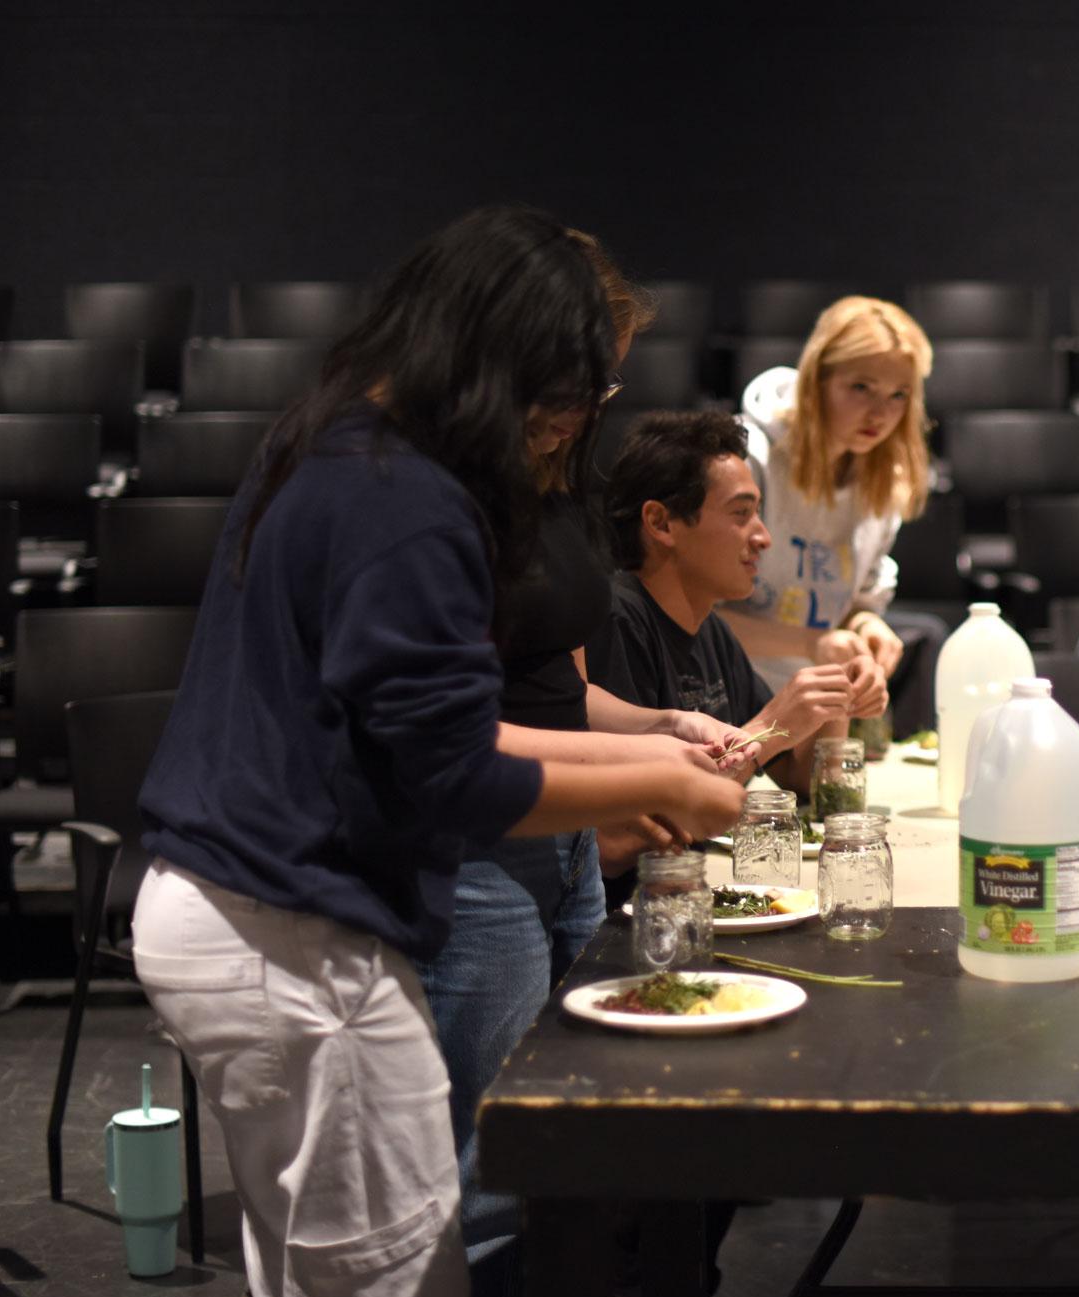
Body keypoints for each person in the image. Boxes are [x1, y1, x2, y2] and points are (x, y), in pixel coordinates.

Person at [130, 207, 747, 1297]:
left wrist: (647, 754)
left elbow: (418, 729)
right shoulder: (407, 499)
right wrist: (657, 777)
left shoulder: (326, 441)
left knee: (318, 1262)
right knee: (398, 1268)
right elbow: (452, 772)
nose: (569, 425)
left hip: (232, 912)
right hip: (293, 928)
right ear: (502, 365)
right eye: (571, 393)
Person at [414, 231, 762, 1296]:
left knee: (592, 1140)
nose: (596, 396)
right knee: (502, 1159)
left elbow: (563, 690)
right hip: (483, 848)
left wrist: (654, 726)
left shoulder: (552, 483)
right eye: (586, 372)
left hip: (561, 851)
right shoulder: (439, 497)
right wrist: (645, 776)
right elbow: (454, 732)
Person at [590, 409, 889, 793]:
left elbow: (801, 780)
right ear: (661, 523)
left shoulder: (711, 629)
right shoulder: (618, 621)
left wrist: (836, 694)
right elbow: (646, 808)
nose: (763, 537)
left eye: (759, 514)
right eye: (741, 513)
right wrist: (767, 727)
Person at [718, 295, 946, 733]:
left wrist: (865, 623)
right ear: (818, 380)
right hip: (724, 705)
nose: (880, 414)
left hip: (812, 712)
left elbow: (851, 601)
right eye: (861, 387)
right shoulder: (749, 460)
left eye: (898, 395)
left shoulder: (882, 478)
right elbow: (692, 616)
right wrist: (811, 642)